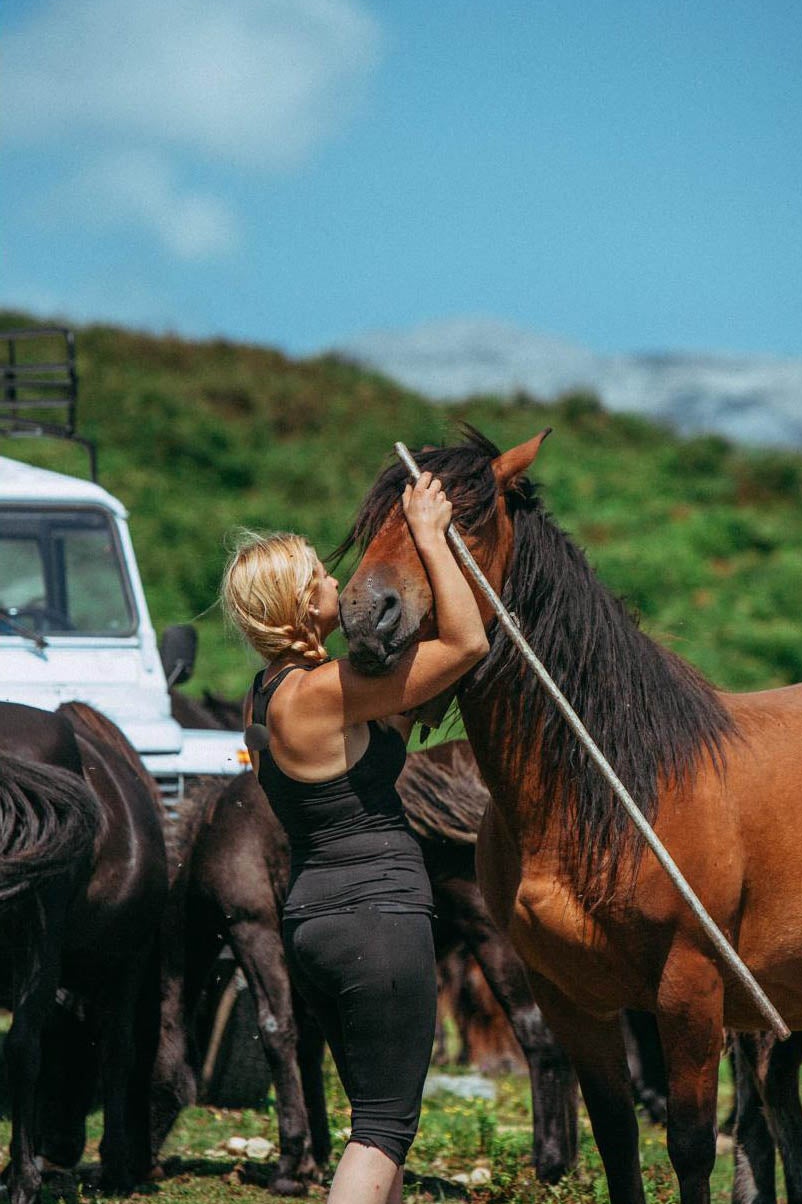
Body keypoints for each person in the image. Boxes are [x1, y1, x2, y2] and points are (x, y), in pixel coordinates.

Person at [221, 471, 489, 1204]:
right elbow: (467, 643)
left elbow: (383, 725)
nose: (336, 580)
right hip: (378, 919)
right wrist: (430, 535)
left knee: (376, 1121)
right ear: (303, 603)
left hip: (317, 920)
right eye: (320, 574)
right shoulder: (326, 690)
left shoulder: (268, 693)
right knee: (381, 1132)